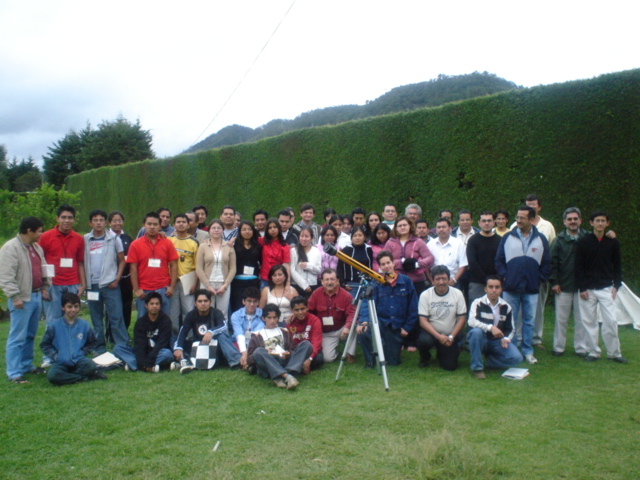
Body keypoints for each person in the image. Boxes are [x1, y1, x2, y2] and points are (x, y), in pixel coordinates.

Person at [495, 205, 550, 365]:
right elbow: (499, 260)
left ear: (531, 219)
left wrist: (539, 278)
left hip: (531, 288)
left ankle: (527, 351)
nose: (518, 220)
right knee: (509, 320)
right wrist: (505, 277)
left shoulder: (541, 239)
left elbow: (546, 262)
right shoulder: (507, 237)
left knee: (529, 321)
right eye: (517, 217)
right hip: (511, 287)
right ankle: (511, 349)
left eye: (522, 218)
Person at [0, 216, 51, 384]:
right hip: (22, 299)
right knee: (17, 336)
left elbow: (43, 268)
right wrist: (15, 297)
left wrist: (45, 286)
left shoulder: (36, 247)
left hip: (36, 296)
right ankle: (14, 372)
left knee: (30, 335)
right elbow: (6, 276)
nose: (41, 234)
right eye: (39, 231)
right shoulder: (10, 248)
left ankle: (26, 365)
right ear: (29, 231)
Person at [575, 210, 626, 363]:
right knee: (589, 322)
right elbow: (578, 266)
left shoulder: (613, 242)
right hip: (588, 289)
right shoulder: (583, 242)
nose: (600, 223)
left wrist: (616, 285)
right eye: (597, 220)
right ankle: (593, 352)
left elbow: (617, 265)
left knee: (611, 321)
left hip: (606, 288)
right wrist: (582, 288)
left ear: (607, 223)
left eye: (603, 221)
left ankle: (614, 353)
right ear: (591, 223)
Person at [357, 250, 418, 367]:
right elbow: (367, 302)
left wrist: (407, 327)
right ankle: (370, 361)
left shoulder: (406, 281)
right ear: (379, 267)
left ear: (393, 263)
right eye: (383, 264)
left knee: (392, 361)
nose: (386, 266)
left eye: (388, 263)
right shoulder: (376, 282)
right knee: (364, 331)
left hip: (396, 326)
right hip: (380, 322)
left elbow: (413, 307)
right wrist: (364, 320)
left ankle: (387, 349)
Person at [83, 209, 128, 354]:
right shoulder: (85, 239)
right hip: (92, 285)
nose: (98, 223)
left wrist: (117, 279)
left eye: (101, 220)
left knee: (116, 317)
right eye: (95, 220)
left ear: (105, 223)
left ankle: (122, 346)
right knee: (96, 318)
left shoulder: (114, 239)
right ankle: (99, 348)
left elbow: (122, 261)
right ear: (90, 223)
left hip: (110, 285)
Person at [39, 292, 105, 385]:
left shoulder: (84, 325)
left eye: (76, 306)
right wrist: (55, 356)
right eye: (69, 307)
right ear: (63, 308)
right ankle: (85, 377)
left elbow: (92, 342)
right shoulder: (54, 326)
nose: (73, 310)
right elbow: (45, 344)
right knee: (53, 376)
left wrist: (82, 352)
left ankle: (69, 377)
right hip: (61, 361)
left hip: (78, 360)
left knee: (90, 365)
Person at [549, 207, 589, 357]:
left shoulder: (588, 238)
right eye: (569, 219)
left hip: (582, 287)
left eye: (575, 219)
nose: (573, 221)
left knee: (581, 319)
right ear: (564, 222)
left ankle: (581, 348)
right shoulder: (558, 240)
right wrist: (554, 282)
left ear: (580, 220)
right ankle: (558, 347)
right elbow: (552, 263)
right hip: (563, 286)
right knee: (561, 319)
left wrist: (610, 235)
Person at [172, 289, 241, 373]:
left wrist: (211, 332)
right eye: (200, 301)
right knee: (181, 343)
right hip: (198, 346)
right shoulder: (191, 315)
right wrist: (178, 348)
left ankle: (237, 362)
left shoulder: (216, 312)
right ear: (195, 303)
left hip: (215, 347)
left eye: (205, 301)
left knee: (222, 336)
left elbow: (223, 326)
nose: (203, 304)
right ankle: (184, 362)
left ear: (210, 302)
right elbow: (183, 332)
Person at [466, 276, 523, 378]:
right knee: (476, 332)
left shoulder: (506, 306)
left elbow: (510, 328)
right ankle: (477, 368)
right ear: (485, 289)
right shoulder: (477, 303)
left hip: (497, 341)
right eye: (491, 287)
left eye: (497, 287)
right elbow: (471, 321)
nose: (494, 290)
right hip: (481, 339)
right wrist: (490, 327)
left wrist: (506, 339)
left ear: (501, 289)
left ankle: (491, 362)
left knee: (517, 358)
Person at [39, 204, 86, 326]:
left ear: (74, 220)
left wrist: (83, 285)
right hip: (52, 284)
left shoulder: (78, 239)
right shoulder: (45, 237)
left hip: (72, 283)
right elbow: (39, 262)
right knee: (53, 320)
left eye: (70, 218)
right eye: (63, 217)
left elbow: (80, 262)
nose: (66, 220)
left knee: (71, 318)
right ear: (57, 219)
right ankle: (52, 339)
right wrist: (43, 286)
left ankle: (69, 338)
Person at [246, 304, 312, 390]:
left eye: (275, 318)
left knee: (306, 344)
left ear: (278, 318)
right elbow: (250, 359)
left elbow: (292, 349)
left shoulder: (284, 331)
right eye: (269, 318)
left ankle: (281, 375)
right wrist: (265, 351)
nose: (272, 321)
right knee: (258, 351)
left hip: (285, 360)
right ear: (263, 318)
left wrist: (288, 353)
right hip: (269, 361)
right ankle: (287, 376)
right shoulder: (257, 335)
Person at [127, 212, 178, 318]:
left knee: (164, 320)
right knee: (143, 319)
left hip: (163, 289)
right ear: (144, 225)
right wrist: (136, 289)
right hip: (144, 289)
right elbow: (133, 268)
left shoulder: (167, 243)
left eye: (155, 224)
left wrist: (172, 287)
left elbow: (173, 265)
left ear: (159, 226)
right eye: (149, 224)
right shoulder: (135, 244)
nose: (152, 227)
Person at [416, 265, 467, 371]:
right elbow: (423, 321)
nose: (441, 282)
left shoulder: (457, 294)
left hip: (450, 336)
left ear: (449, 279)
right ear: (432, 280)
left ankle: (442, 352)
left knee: (450, 367)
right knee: (424, 341)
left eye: (444, 279)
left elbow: (462, 319)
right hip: (431, 334)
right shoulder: (425, 295)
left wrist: (451, 337)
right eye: (437, 279)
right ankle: (425, 357)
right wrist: (438, 336)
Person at [114, 292, 173, 372]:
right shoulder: (141, 322)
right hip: (142, 352)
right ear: (146, 305)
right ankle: (149, 366)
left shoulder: (166, 321)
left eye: (157, 304)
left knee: (167, 354)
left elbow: (162, 343)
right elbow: (139, 345)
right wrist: (142, 361)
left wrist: (150, 359)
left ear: (160, 305)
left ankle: (133, 365)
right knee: (118, 348)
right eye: (151, 304)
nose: (154, 306)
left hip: (158, 352)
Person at [308, 268, 356, 363]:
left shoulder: (346, 295)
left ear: (337, 281)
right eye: (327, 280)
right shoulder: (316, 294)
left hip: (341, 329)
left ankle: (350, 354)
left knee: (354, 324)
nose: (329, 282)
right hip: (326, 332)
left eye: (332, 279)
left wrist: (347, 327)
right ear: (322, 282)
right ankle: (335, 351)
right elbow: (309, 311)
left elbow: (352, 313)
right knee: (327, 359)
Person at [196, 219, 236, 320]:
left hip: (223, 284)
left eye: (219, 228)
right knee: (207, 311)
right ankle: (208, 330)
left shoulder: (229, 246)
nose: (216, 230)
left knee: (223, 313)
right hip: (207, 283)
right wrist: (208, 286)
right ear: (209, 230)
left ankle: (223, 330)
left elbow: (233, 268)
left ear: (223, 230)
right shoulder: (203, 246)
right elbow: (199, 268)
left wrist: (225, 285)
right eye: (213, 228)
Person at [168, 214, 199, 339]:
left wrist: (194, 283)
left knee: (189, 310)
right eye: (178, 222)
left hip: (188, 281)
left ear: (188, 225)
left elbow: (197, 266)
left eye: (183, 222)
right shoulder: (169, 240)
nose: (181, 224)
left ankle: (189, 338)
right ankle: (174, 340)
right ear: (174, 224)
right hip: (171, 281)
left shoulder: (193, 242)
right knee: (173, 313)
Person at [466, 210, 502, 303]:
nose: (486, 223)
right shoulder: (473, 240)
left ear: (494, 222)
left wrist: (495, 280)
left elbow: (502, 261)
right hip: (477, 282)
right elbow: (472, 263)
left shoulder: (500, 240)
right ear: (479, 223)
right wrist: (485, 279)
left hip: (496, 283)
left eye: (489, 221)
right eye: (484, 221)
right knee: (476, 309)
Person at [108, 211, 134, 331]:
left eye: (120, 220)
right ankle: (111, 333)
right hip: (111, 279)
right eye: (114, 221)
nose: (117, 223)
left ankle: (125, 332)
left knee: (126, 306)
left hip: (126, 278)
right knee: (113, 307)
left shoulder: (127, 238)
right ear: (109, 222)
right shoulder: (106, 237)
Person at [230, 220, 262, 313]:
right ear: (239, 231)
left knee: (252, 308)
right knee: (238, 307)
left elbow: (261, 261)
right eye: (244, 229)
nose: (247, 232)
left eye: (249, 229)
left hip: (253, 281)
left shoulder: (257, 245)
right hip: (237, 282)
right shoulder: (234, 244)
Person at [230, 287, 264, 370]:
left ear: (258, 302)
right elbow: (239, 335)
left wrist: (246, 354)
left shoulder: (263, 315)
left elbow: (255, 335)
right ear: (243, 301)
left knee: (259, 349)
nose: (252, 304)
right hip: (238, 343)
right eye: (249, 301)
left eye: (254, 301)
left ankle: (244, 362)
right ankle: (249, 362)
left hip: (254, 343)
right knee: (229, 347)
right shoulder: (235, 315)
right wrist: (244, 353)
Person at [427, 218, 467, 287]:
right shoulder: (430, 245)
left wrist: (454, 280)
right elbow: (426, 266)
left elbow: (463, 265)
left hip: (453, 281)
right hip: (435, 282)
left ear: (450, 229)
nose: (441, 229)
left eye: (444, 227)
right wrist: (431, 280)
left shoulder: (458, 244)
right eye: (439, 227)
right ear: (436, 229)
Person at [287, 296, 324, 372]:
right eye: (296, 310)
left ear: (307, 308)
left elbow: (316, 342)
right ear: (291, 310)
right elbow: (289, 344)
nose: (300, 312)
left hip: (311, 351)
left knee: (318, 359)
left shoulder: (315, 320)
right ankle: (300, 367)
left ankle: (297, 366)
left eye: (302, 309)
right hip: (297, 351)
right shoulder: (289, 322)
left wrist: (310, 358)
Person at [337, 226, 374, 297]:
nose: (357, 238)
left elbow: (371, 265)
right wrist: (343, 283)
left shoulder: (368, 249)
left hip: (366, 284)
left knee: (366, 304)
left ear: (364, 237)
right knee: (352, 304)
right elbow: (340, 268)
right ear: (351, 238)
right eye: (355, 236)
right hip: (351, 285)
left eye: (360, 235)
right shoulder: (346, 250)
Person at [258, 218, 291, 288]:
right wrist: (234, 239)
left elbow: (286, 264)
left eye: (275, 227)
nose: (272, 229)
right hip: (264, 278)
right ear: (267, 230)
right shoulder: (262, 241)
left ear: (279, 228)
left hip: (278, 279)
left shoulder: (284, 245)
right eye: (270, 228)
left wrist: (288, 282)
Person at [290, 226, 321, 296]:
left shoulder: (316, 251)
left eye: (306, 236)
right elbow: (292, 270)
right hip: (297, 285)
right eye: (302, 236)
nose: (304, 239)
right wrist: (304, 285)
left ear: (311, 238)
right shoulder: (293, 251)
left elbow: (318, 269)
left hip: (312, 285)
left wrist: (308, 266)